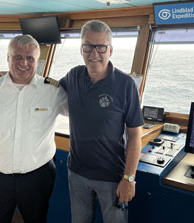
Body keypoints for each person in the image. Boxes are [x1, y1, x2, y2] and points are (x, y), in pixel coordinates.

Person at [0, 35, 68, 223]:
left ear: (38, 61)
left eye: (30, 58)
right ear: (8, 58)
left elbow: (84, 112)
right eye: (17, 57)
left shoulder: (53, 91)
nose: (24, 63)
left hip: (38, 177)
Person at [60, 20, 144, 223]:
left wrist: (129, 178)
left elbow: (135, 136)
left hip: (112, 176)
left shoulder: (125, 85)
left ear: (111, 50)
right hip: (77, 172)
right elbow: (47, 89)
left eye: (101, 47)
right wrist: (12, 78)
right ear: (81, 49)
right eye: (88, 46)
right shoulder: (73, 76)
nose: (94, 53)